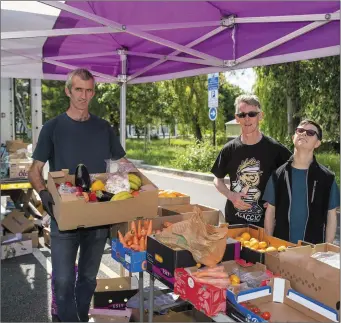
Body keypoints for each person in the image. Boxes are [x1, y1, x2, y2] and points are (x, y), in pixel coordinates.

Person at [28, 68, 127, 322]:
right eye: (79, 90)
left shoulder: (104, 128)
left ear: (93, 92)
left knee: (87, 279)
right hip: (65, 217)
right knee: (62, 281)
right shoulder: (53, 128)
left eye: (89, 90)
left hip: (97, 216)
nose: (84, 96)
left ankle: (79, 318)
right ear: (68, 91)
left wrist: (144, 188)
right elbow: (35, 170)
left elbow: (123, 164)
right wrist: (43, 193)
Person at [211, 94, 291, 226]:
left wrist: (279, 199)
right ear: (237, 118)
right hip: (233, 222)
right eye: (242, 115)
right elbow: (217, 179)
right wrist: (230, 195)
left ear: (260, 116)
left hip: (265, 224)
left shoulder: (275, 149)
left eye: (252, 114)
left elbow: (293, 174)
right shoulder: (229, 149)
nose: (247, 119)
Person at [263, 119, 339, 244]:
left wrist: (327, 249)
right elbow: (270, 212)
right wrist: (268, 244)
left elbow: (331, 216)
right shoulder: (278, 175)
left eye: (310, 133)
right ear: (293, 137)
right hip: (282, 248)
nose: (303, 134)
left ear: (317, 143)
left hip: (313, 250)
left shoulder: (327, 177)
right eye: (300, 130)